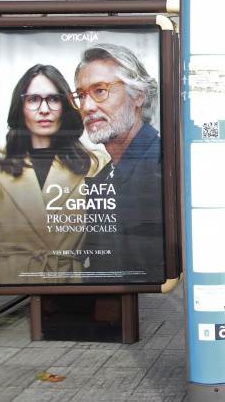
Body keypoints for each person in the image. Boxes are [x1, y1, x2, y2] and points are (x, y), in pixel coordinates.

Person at [0, 64, 108, 284]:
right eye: (33, 99)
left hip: (70, 285)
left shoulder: (96, 164)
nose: (44, 109)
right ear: (20, 106)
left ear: (65, 106)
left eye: (53, 99)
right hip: (14, 285)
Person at [73, 43, 163, 281]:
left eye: (100, 90)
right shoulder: (106, 173)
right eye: (81, 95)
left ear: (138, 95)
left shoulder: (159, 165)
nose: (87, 107)